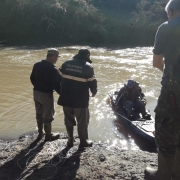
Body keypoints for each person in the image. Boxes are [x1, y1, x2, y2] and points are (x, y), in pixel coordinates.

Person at [145, 1, 180, 180]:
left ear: (171, 12)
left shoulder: (166, 28)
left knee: (166, 127)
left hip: (174, 87)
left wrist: (169, 76)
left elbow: (157, 62)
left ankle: (164, 174)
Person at [57, 49, 97, 148]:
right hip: (80, 99)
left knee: (68, 119)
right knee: (83, 121)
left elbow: (57, 77)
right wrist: (94, 91)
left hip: (65, 97)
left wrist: (61, 90)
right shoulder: (88, 67)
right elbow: (92, 82)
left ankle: (70, 140)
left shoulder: (66, 63)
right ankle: (83, 142)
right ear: (88, 56)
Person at [30, 48, 61, 141]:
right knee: (48, 116)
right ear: (53, 57)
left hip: (36, 93)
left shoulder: (37, 65)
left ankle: (40, 133)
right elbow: (56, 85)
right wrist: (62, 94)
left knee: (39, 114)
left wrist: (37, 86)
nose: (57, 59)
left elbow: (31, 78)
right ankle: (48, 135)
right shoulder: (53, 69)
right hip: (46, 94)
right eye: (57, 57)